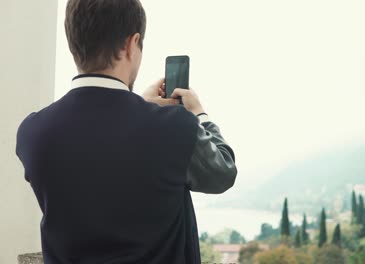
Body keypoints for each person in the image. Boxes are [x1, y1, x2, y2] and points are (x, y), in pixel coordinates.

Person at [15, 0, 237, 263]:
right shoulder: (175, 127)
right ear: (132, 44)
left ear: (73, 43)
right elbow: (223, 172)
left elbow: (99, 144)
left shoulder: (32, 132)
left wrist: (138, 105)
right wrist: (199, 114)